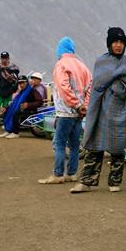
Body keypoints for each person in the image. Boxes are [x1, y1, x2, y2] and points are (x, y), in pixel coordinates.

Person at [70, 27, 126, 194]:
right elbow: (97, 86)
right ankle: (86, 182)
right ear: (109, 44)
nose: (118, 45)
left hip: (121, 110)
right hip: (101, 111)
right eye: (115, 42)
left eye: (121, 42)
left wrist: (118, 89)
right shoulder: (101, 62)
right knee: (95, 145)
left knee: (118, 147)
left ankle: (115, 181)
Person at [38, 37, 92, 185]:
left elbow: (63, 87)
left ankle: (58, 174)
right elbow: (90, 87)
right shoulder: (82, 66)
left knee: (59, 144)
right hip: (79, 113)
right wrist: (84, 106)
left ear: (60, 50)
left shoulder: (61, 65)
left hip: (65, 112)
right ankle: (72, 174)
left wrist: (76, 104)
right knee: (74, 145)